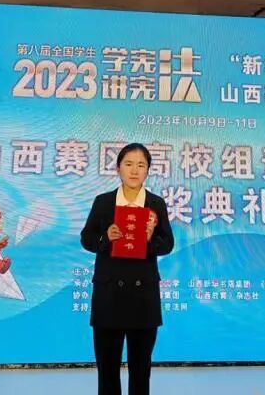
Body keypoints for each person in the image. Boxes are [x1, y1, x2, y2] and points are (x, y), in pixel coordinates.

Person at [81, 143, 175, 395]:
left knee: (141, 369)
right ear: (118, 168)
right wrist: (106, 237)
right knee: (107, 370)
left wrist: (150, 239)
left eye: (141, 165)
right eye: (129, 164)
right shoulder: (104, 202)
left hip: (143, 296)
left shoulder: (156, 204)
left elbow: (168, 243)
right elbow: (87, 239)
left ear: (148, 171)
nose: (134, 170)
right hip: (109, 295)